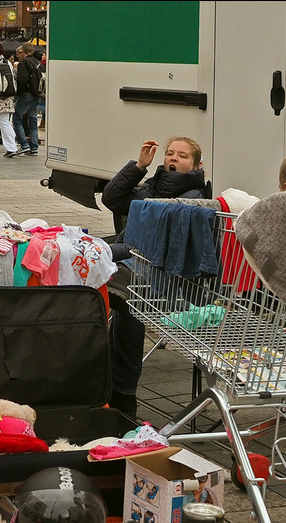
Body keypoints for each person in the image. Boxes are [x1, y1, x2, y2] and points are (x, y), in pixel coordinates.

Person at [100, 136, 213, 417]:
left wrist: (104, 250)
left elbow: (151, 245)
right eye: (170, 154)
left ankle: (123, 395)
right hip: (135, 260)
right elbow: (111, 199)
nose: (173, 159)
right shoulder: (153, 185)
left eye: (182, 156)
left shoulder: (194, 198)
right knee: (84, 259)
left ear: (197, 165)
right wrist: (139, 166)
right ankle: (107, 384)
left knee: (129, 301)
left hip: (165, 275)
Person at [9, 43, 43, 157]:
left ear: (23, 52)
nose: (18, 56)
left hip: (26, 94)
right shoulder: (37, 62)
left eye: (19, 53)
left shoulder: (24, 63)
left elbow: (22, 80)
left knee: (17, 119)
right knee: (33, 121)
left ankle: (24, 144)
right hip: (37, 94)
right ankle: (34, 147)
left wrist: (17, 93)